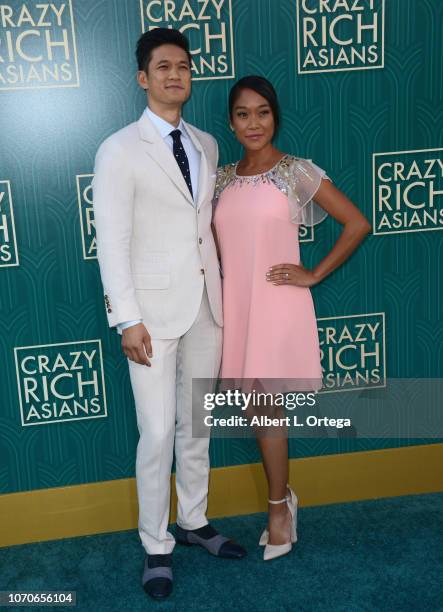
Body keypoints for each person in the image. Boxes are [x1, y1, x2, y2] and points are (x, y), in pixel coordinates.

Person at [92, 28, 246, 601]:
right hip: (150, 315)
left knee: (196, 424)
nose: (175, 75)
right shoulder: (119, 149)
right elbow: (112, 241)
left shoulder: (206, 143)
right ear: (143, 77)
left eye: (183, 66)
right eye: (162, 67)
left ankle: (193, 520)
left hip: (207, 306)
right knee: (156, 433)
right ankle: (156, 544)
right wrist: (126, 319)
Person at [212, 76, 371, 561]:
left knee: (264, 406)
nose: (253, 122)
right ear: (231, 121)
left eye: (262, 112)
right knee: (254, 408)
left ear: (274, 116)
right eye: (243, 114)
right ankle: (284, 499)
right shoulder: (219, 178)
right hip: (234, 308)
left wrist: (313, 273)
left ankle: (279, 508)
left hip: (277, 304)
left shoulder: (294, 171)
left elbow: (357, 222)